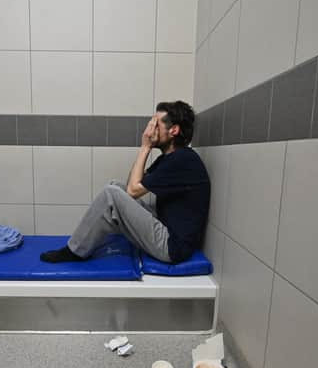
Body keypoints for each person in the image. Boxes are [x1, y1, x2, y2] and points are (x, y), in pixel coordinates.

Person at [40, 100, 210, 264]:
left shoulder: (182, 160)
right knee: (115, 186)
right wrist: (146, 148)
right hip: (166, 228)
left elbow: (132, 191)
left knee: (111, 194)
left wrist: (145, 147)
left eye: (155, 125)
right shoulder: (170, 159)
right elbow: (132, 185)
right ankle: (85, 242)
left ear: (173, 130)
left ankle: (75, 251)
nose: (150, 130)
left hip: (172, 247)